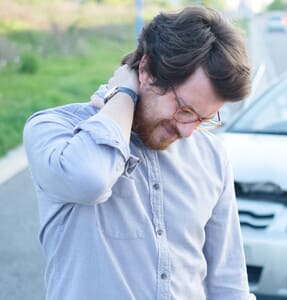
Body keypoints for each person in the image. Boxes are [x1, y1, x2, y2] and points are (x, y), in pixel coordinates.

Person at [23, 6, 254, 300]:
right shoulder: (55, 129)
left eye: (204, 118)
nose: (188, 131)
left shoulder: (212, 155)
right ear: (145, 70)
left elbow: (229, 284)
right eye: (184, 110)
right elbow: (88, 181)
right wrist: (124, 94)